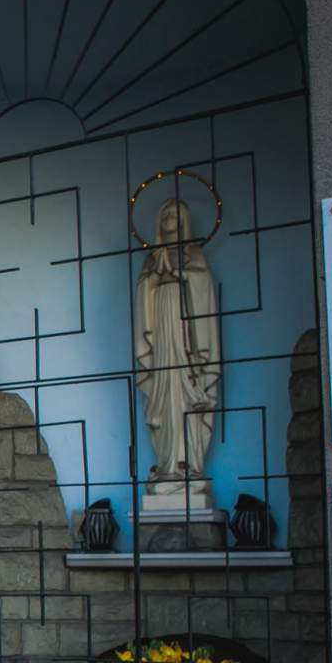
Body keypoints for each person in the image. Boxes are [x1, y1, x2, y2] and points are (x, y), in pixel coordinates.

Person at [133, 197, 220, 503]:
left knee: (186, 393)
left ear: (184, 220)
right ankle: (167, 464)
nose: (169, 220)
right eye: (165, 215)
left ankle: (189, 465)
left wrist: (180, 274)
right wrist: (155, 276)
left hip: (186, 335)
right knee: (164, 394)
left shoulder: (193, 254)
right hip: (161, 334)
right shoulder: (152, 260)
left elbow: (202, 287)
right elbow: (143, 295)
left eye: (174, 215)